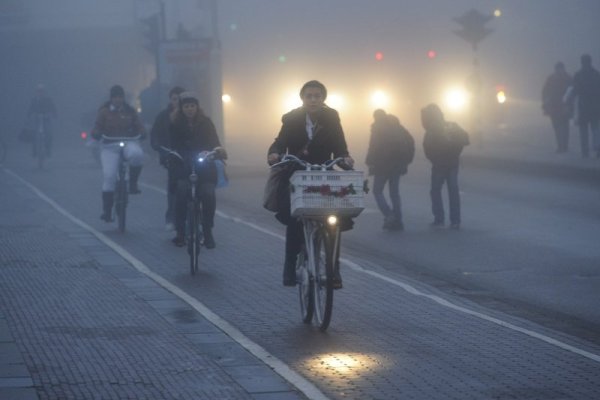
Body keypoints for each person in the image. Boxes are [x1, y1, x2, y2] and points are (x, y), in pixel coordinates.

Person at [267, 80, 354, 288]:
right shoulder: (292, 118)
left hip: (324, 174)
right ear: (302, 98)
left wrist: (345, 159)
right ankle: (289, 267)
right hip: (297, 174)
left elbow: (340, 146)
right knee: (296, 220)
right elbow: (280, 141)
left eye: (317, 96)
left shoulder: (332, 117)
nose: (313, 99)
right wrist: (274, 153)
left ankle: (334, 270)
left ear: (323, 98)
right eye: (309, 96)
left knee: (333, 221)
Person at [168, 92, 227, 249]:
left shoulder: (206, 123)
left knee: (208, 193)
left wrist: (217, 151)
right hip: (183, 165)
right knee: (181, 191)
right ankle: (180, 232)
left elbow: (215, 142)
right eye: (186, 106)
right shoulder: (175, 124)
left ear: (197, 107)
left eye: (192, 106)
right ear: (182, 108)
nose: (189, 109)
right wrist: (173, 156)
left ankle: (207, 231)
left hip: (204, 165)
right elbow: (172, 144)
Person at [93, 85, 146, 222]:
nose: (118, 100)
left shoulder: (130, 111)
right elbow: (97, 127)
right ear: (111, 98)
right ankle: (107, 211)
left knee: (137, 155)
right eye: (115, 97)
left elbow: (139, 125)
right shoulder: (104, 112)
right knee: (109, 176)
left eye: (120, 97)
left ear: (123, 98)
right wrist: (97, 134)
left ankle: (133, 183)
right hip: (109, 146)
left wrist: (142, 132)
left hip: (128, 142)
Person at [421, 103, 469, 230]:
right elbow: (465, 139)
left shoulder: (431, 129)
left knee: (435, 191)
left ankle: (439, 218)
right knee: (453, 191)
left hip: (439, 164)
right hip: (453, 162)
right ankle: (455, 220)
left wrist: (434, 159)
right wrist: (455, 152)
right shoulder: (451, 125)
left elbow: (427, 148)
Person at [365, 109, 414, 231]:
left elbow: (373, 147)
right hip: (397, 165)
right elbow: (410, 142)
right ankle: (398, 220)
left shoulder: (377, 128)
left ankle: (389, 215)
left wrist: (370, 162)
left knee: (377, 191)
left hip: (382, 165)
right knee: (394, 194)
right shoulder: (398, 127)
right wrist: (407, 161)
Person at [150, 86, 186, 231]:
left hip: (189, 156)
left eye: (180, 99)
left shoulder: (193, 116)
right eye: (174, 99)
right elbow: (155, 135)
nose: (177, 102)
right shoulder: (163, 116)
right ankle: (170, 216)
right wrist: (158, 147)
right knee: (174, 186)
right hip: (171, 156)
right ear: (170, 100)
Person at [568, 54, 600, 158]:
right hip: (595, 106)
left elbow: (574, 90)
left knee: (583, 131)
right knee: (595, 130)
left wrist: (569, 100)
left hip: (584, 107)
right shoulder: (596, 74)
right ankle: (597, 149)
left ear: (582, 62)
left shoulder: (578, 75)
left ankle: (585, 151)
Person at [542, 62, 573, 153]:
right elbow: (545, 92)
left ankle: (562, 146)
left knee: (561, 127)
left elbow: (545, 92)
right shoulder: (568, 78)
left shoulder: (552, 78)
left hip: (560, 106)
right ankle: (562, 145)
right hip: (558, 106)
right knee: (560, 127)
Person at [26, 84, 57, 155]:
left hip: (46, 119)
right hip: (37, 120)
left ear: (44, 92)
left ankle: (48, 150)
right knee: (34, 134)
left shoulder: (48, 100)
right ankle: (34, 151)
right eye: (39, 91)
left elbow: (53, 108)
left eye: (42, 91)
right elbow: (30, 109)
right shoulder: (34, 100)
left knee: (49, 134)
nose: (40, 93)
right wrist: (29, 116)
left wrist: (54, 115)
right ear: (36, 92)